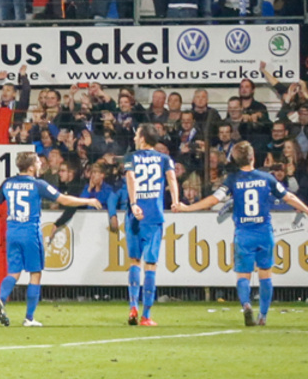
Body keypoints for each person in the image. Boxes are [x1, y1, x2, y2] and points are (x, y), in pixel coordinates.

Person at [173, 141, 308, 326]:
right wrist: (306, 210)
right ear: (253, 157)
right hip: (264, 232)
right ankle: (263, 316)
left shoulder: (232, 180)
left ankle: (246, 305)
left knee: (243, 275)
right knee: (265, 275)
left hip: (244, 233)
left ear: (235, 160)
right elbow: (288, 196)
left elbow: (214, 199)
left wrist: (187, 208)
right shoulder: (266, 178)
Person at [0, 151, 100, 327]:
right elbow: (64, 199)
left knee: (13, 272)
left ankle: (1, 300)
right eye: (38, 162)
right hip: (30, 233)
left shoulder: (8, 183)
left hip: (12, 232)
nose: (41, 164)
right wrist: (87, 201)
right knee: (35, 273)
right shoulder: (38, 184)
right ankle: (29, 318)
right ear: (31, 166)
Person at [123, 128, 178, 326]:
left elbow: (130, 177)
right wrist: (176, 201)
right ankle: (146, 315)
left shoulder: (130, 157)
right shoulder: (164, 159)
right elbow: (172, 178)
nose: (134, 137)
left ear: (143, 138)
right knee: (151, 264)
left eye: (137, 134)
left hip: (135, 215)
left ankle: (133, 307)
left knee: (134, 261)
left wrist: (134, 203)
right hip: (154, 215)